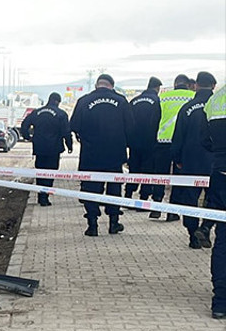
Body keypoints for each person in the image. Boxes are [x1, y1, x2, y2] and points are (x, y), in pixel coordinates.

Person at [70, 74, 133, 237]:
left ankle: (92, 225)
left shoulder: (84, 101)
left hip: (91, 154)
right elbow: (131, 127)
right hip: (114, 154)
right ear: (112, 85)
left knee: (90, 189)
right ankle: (113, 223)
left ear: (97, 85)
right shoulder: (121, 101)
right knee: (114, 188)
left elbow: (74, 125)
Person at [172, 71, 218, 249]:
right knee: (214, 199)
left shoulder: (186, 108)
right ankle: (206, 228)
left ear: (196, 86)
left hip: (191, 162)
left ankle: (193, 235)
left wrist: (177, 158)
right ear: (213, 86)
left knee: (190, 200)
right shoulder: (219, 106)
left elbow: (179, 137)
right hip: (216, 162)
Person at [153, 74, 197, 220]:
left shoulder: (164, 97)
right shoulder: (193, 97)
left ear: (175, 84)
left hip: (163, 141)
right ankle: (173, 210)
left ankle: (156, 206)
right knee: (179, 178)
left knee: (160, 175)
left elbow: (155, 118)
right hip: (182, 143)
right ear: (187, 84)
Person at [20, 92, 72, 206]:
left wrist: (28, 137)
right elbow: (66, 132)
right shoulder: (61, 114)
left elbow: (24, 125)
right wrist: (69, 145)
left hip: (39, 147)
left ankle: (41, 196)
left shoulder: (36, 112)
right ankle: (45, 197)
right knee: (50, 173)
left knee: (40, 172)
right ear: (58, 102)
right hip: (54, 149)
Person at [201, 83, 226, 318]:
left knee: (223, 242)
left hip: (220, 173)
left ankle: (220, 302)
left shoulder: (216, 99)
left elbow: (204, 139)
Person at [126, 77, 162, 201]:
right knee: (148, 170)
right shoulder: (157, 100)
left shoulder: (134, 101)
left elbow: (128, 121)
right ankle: (143, 198)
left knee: (133, 169)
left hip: (134, 142)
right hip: (151, 142)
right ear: (157, 88)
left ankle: (128, 195)